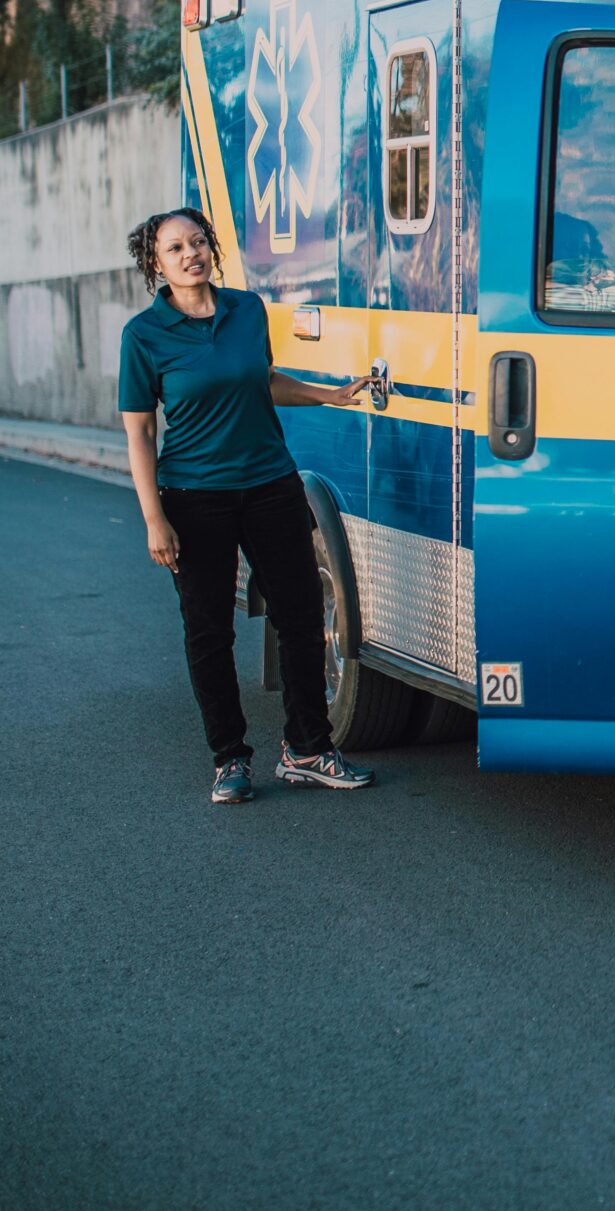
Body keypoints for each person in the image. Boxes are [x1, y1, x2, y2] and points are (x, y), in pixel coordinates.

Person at [118, 207, 375, 805]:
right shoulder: (143, 335)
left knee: (301, 616)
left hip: (270, 485)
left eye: (198, 242)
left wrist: (329, 395)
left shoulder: (247, 310)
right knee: (209, 631)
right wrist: (154, 518)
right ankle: (229, 759)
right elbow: (140, 432)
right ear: (155, 263)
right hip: (193, 498)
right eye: (175, 248)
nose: (191, 254)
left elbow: (264, 380)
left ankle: (307, 749)